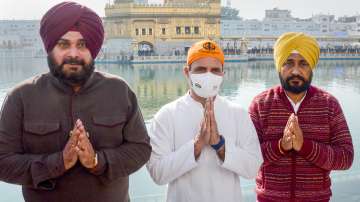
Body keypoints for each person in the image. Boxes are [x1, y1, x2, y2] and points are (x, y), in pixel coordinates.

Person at [0, 2, 151, 202]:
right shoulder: (21, 97)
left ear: (93, 48)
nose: (73, 54)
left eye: (82, 44)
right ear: (50, 47)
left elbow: (140, 149)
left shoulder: (119, 91)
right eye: (63, 44)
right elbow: (3, 161)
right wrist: (58, 162)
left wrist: (97, 161)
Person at [146, 40, 263, 202]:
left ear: (223, 74)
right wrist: (196, 145)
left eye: (215, 70)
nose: (209, 75)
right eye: (201, 70)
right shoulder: (166, 116)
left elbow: (252, 168)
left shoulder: (238, 114)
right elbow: (158, 173)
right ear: (187, 72)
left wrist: (220, 146)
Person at [249, 32, 354, 202]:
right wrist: (281, 146)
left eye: (303, 63)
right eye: (289, 63)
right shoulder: (261, 104)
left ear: (311, 67)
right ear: (279, 66)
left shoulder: (329, 105)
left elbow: (346, 157)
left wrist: (304, 146)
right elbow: (248, 157)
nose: (296, 71)